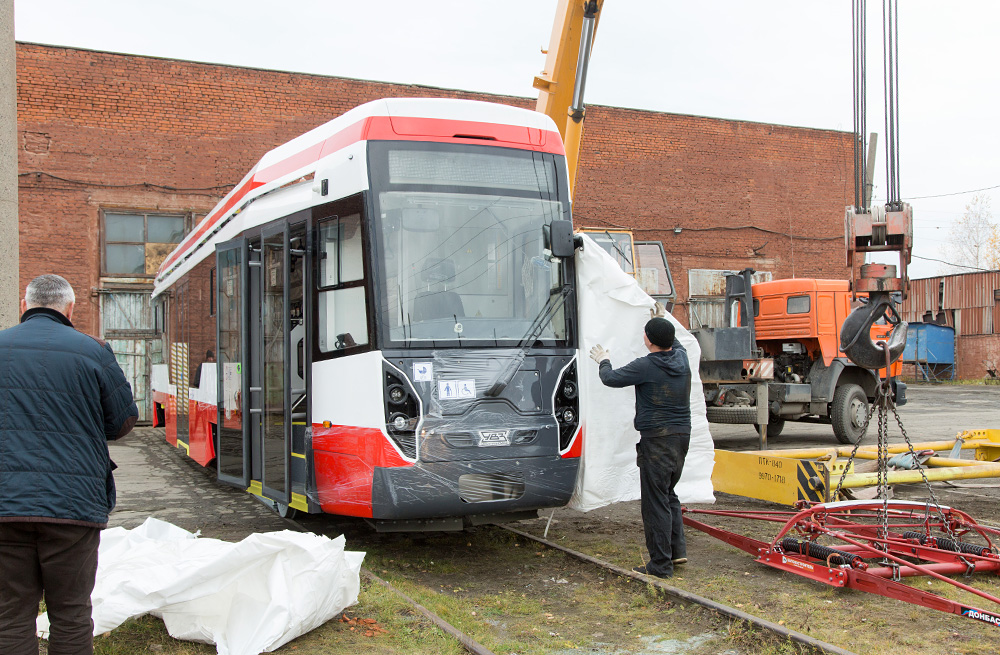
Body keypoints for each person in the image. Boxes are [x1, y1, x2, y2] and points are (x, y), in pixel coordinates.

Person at [0, 274, 138, 655]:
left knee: (10, 614)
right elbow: (123, 423)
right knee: (72, 613)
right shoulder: (93, 350)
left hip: (4, 505)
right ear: (71, 308)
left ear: (24, 306)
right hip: (73, 505)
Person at [589, 309, 692, 579]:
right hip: (682, 437)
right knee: (668, 493)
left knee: (655, 502)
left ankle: (660, 565)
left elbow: (610, 379)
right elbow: (675, 340)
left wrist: (604, 360)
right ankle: (676, 551)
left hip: (656, 441)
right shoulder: (681, 358)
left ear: (647, 340)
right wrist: (662, 318)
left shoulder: (646, 365)